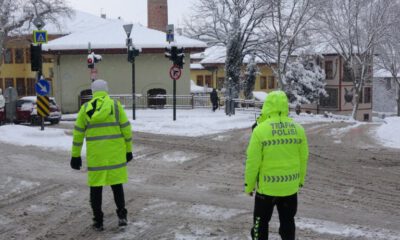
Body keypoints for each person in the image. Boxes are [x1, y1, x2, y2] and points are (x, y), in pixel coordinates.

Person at [245, 90, 309, 240]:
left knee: (260, 224)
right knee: (288, 223)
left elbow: (252, 161)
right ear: (286, 106)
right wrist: (300, 181)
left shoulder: (260, 130)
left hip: (266, 190)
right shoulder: (298, 129)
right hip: (290, 188)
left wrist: (249, 185)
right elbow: (303, 158)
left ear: (267, 106)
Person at [70, 79, 133, 231]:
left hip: (96, 157)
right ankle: (122, 216)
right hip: (115, 156)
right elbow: (126, 129)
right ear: (106, 90)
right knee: (117, 186)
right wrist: (128, 150)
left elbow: (78, 134)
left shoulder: (85, 109)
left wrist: (75, 155)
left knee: (96, 189)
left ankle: (98, 221)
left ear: (92, 91)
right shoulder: (115, 106)